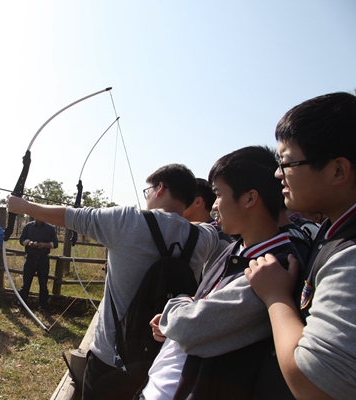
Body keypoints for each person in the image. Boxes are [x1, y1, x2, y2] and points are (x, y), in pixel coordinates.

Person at [7, 164, 220, 400]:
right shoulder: (204, 238)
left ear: (160, 188)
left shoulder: (127, 220)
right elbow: (209, 226)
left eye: (148, 190)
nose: (147, 196)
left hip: (112, 361)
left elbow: (70, 216)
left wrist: (23, 206)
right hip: (165, 365)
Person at [140, 146, 303, 399]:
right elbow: (197, 313)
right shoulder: (236, 248)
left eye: (218, 194)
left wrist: (175, 310)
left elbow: (189, 328)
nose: (214, 205)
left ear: (249, 198)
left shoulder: (273, 269)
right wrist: (182, 313)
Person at [246, 92, 356, 399]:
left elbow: (313, 381)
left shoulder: (350, 254)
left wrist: (276, 296)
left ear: (338, 170)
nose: (278, 173)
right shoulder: (333, 229)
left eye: (287, 162)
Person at [183, 177, 234, 278]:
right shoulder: (187, 232)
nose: (176, 202)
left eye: (181, 197)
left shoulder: (219, 240)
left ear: (198, 202)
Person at [18, 218, 59, 311]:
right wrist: (29, 243)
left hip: (43, 259)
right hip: (30, 258)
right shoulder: (28, 227)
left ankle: (43, 307)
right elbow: (21, 240)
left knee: (43, 284)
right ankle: (21, 306)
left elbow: (55, 243)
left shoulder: (50, 228)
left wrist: (44, 245)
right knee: (26, 284)